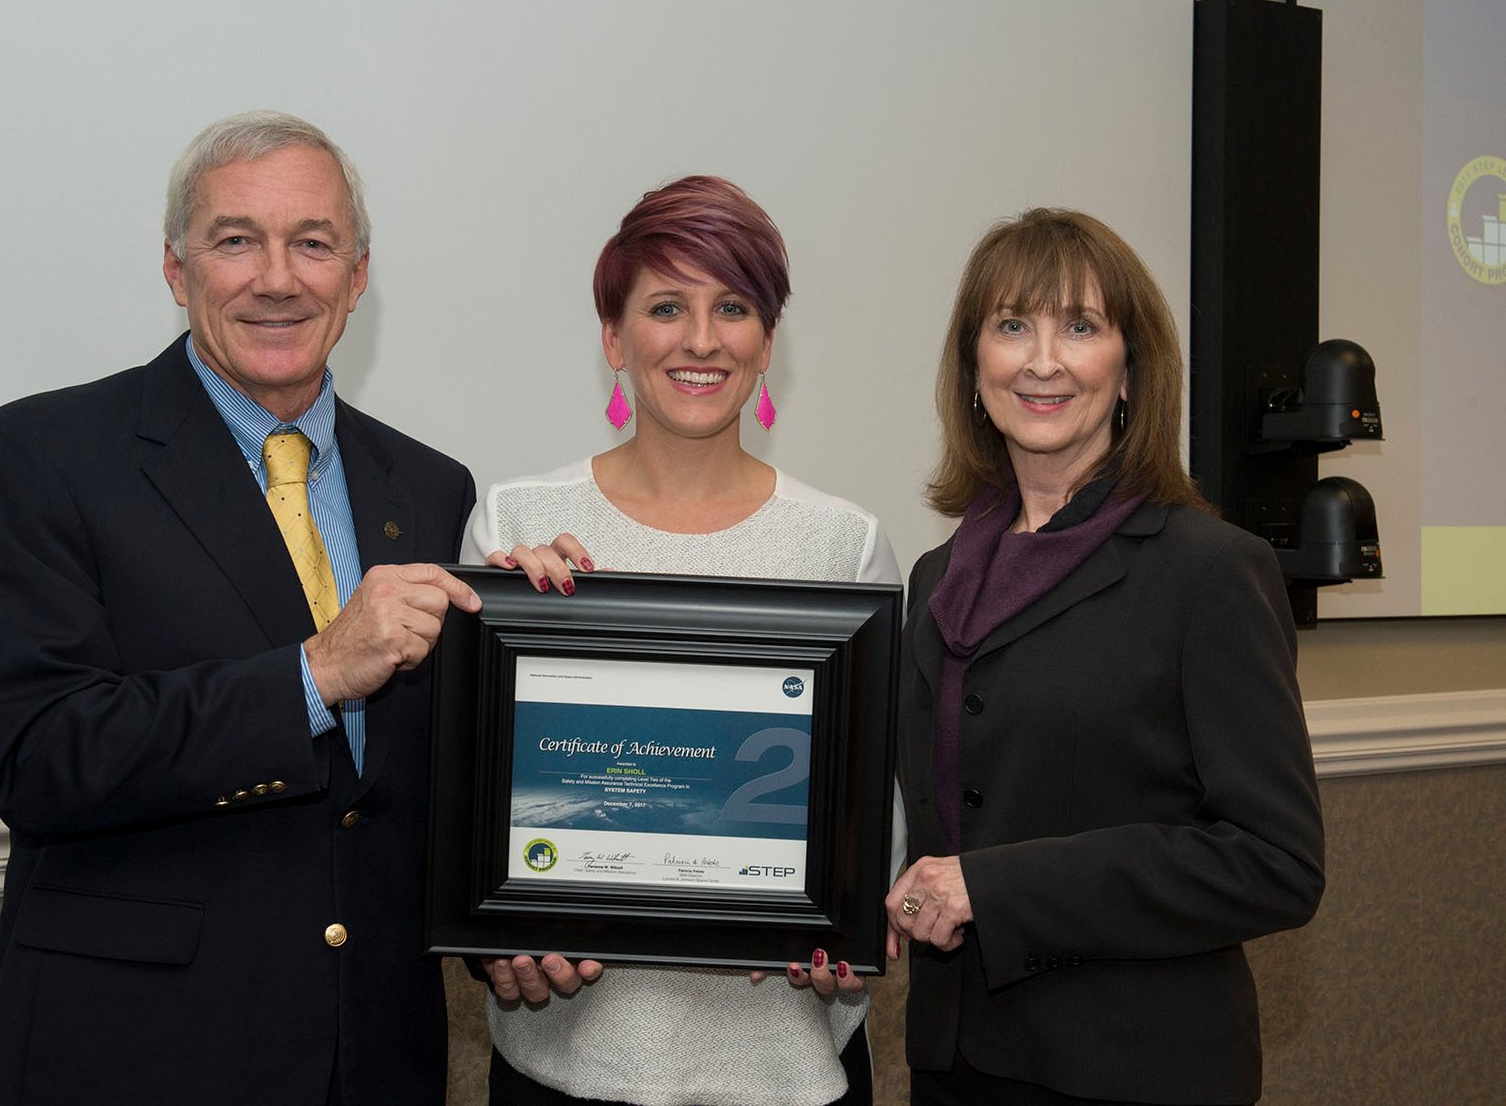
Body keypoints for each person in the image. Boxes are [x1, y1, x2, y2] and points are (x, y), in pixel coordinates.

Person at [0, 111, 479, 1105]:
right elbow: (39, 758)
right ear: (176, 269)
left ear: (358, 276)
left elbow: (413, 798)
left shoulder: (430, 487)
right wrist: (316, 674)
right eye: (236, 239)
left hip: (373, 1060)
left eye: (313, 243)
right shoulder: (47, 457)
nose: (277, 278)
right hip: (137, 1056)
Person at [461, 175, 901, 1106]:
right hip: (566, 1067)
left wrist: (858, 930)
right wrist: (520, 614)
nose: (702, 339)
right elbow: (473, 801)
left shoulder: (845, 542)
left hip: (787, 1075)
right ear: (615, 338)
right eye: (667, 306)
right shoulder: (516, 522)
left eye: (732, 307)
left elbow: (876, 815)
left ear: (767, 341)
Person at [885, 208, 1325, 1106]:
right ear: (975, 366)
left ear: (1131, 370)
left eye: (1079, 327)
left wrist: (997, 888)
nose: (1042, 360)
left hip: (1135, 1071)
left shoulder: (1208, 570)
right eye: (1012, 325)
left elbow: (1275, 862)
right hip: (956, 1064)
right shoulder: (936, 576)